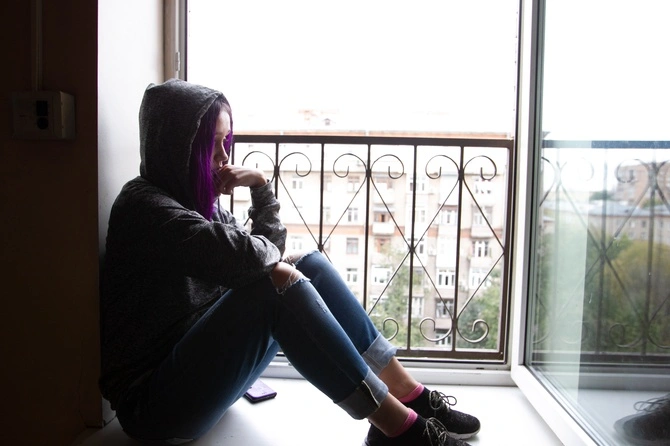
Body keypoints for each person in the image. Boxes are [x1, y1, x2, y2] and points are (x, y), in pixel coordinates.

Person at [99, 78, 481, 446]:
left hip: (200, 381)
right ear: (175, 147)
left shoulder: (201, 207)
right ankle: (397, 427)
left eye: (225, 142)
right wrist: (261, 188)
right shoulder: (147, 209)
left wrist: (260, 187)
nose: (224, 158)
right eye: (210, 146)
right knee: (278, 282)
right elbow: (259, 262)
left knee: (308, 264)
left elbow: (271, 254)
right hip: (156, 409)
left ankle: (408, 394)